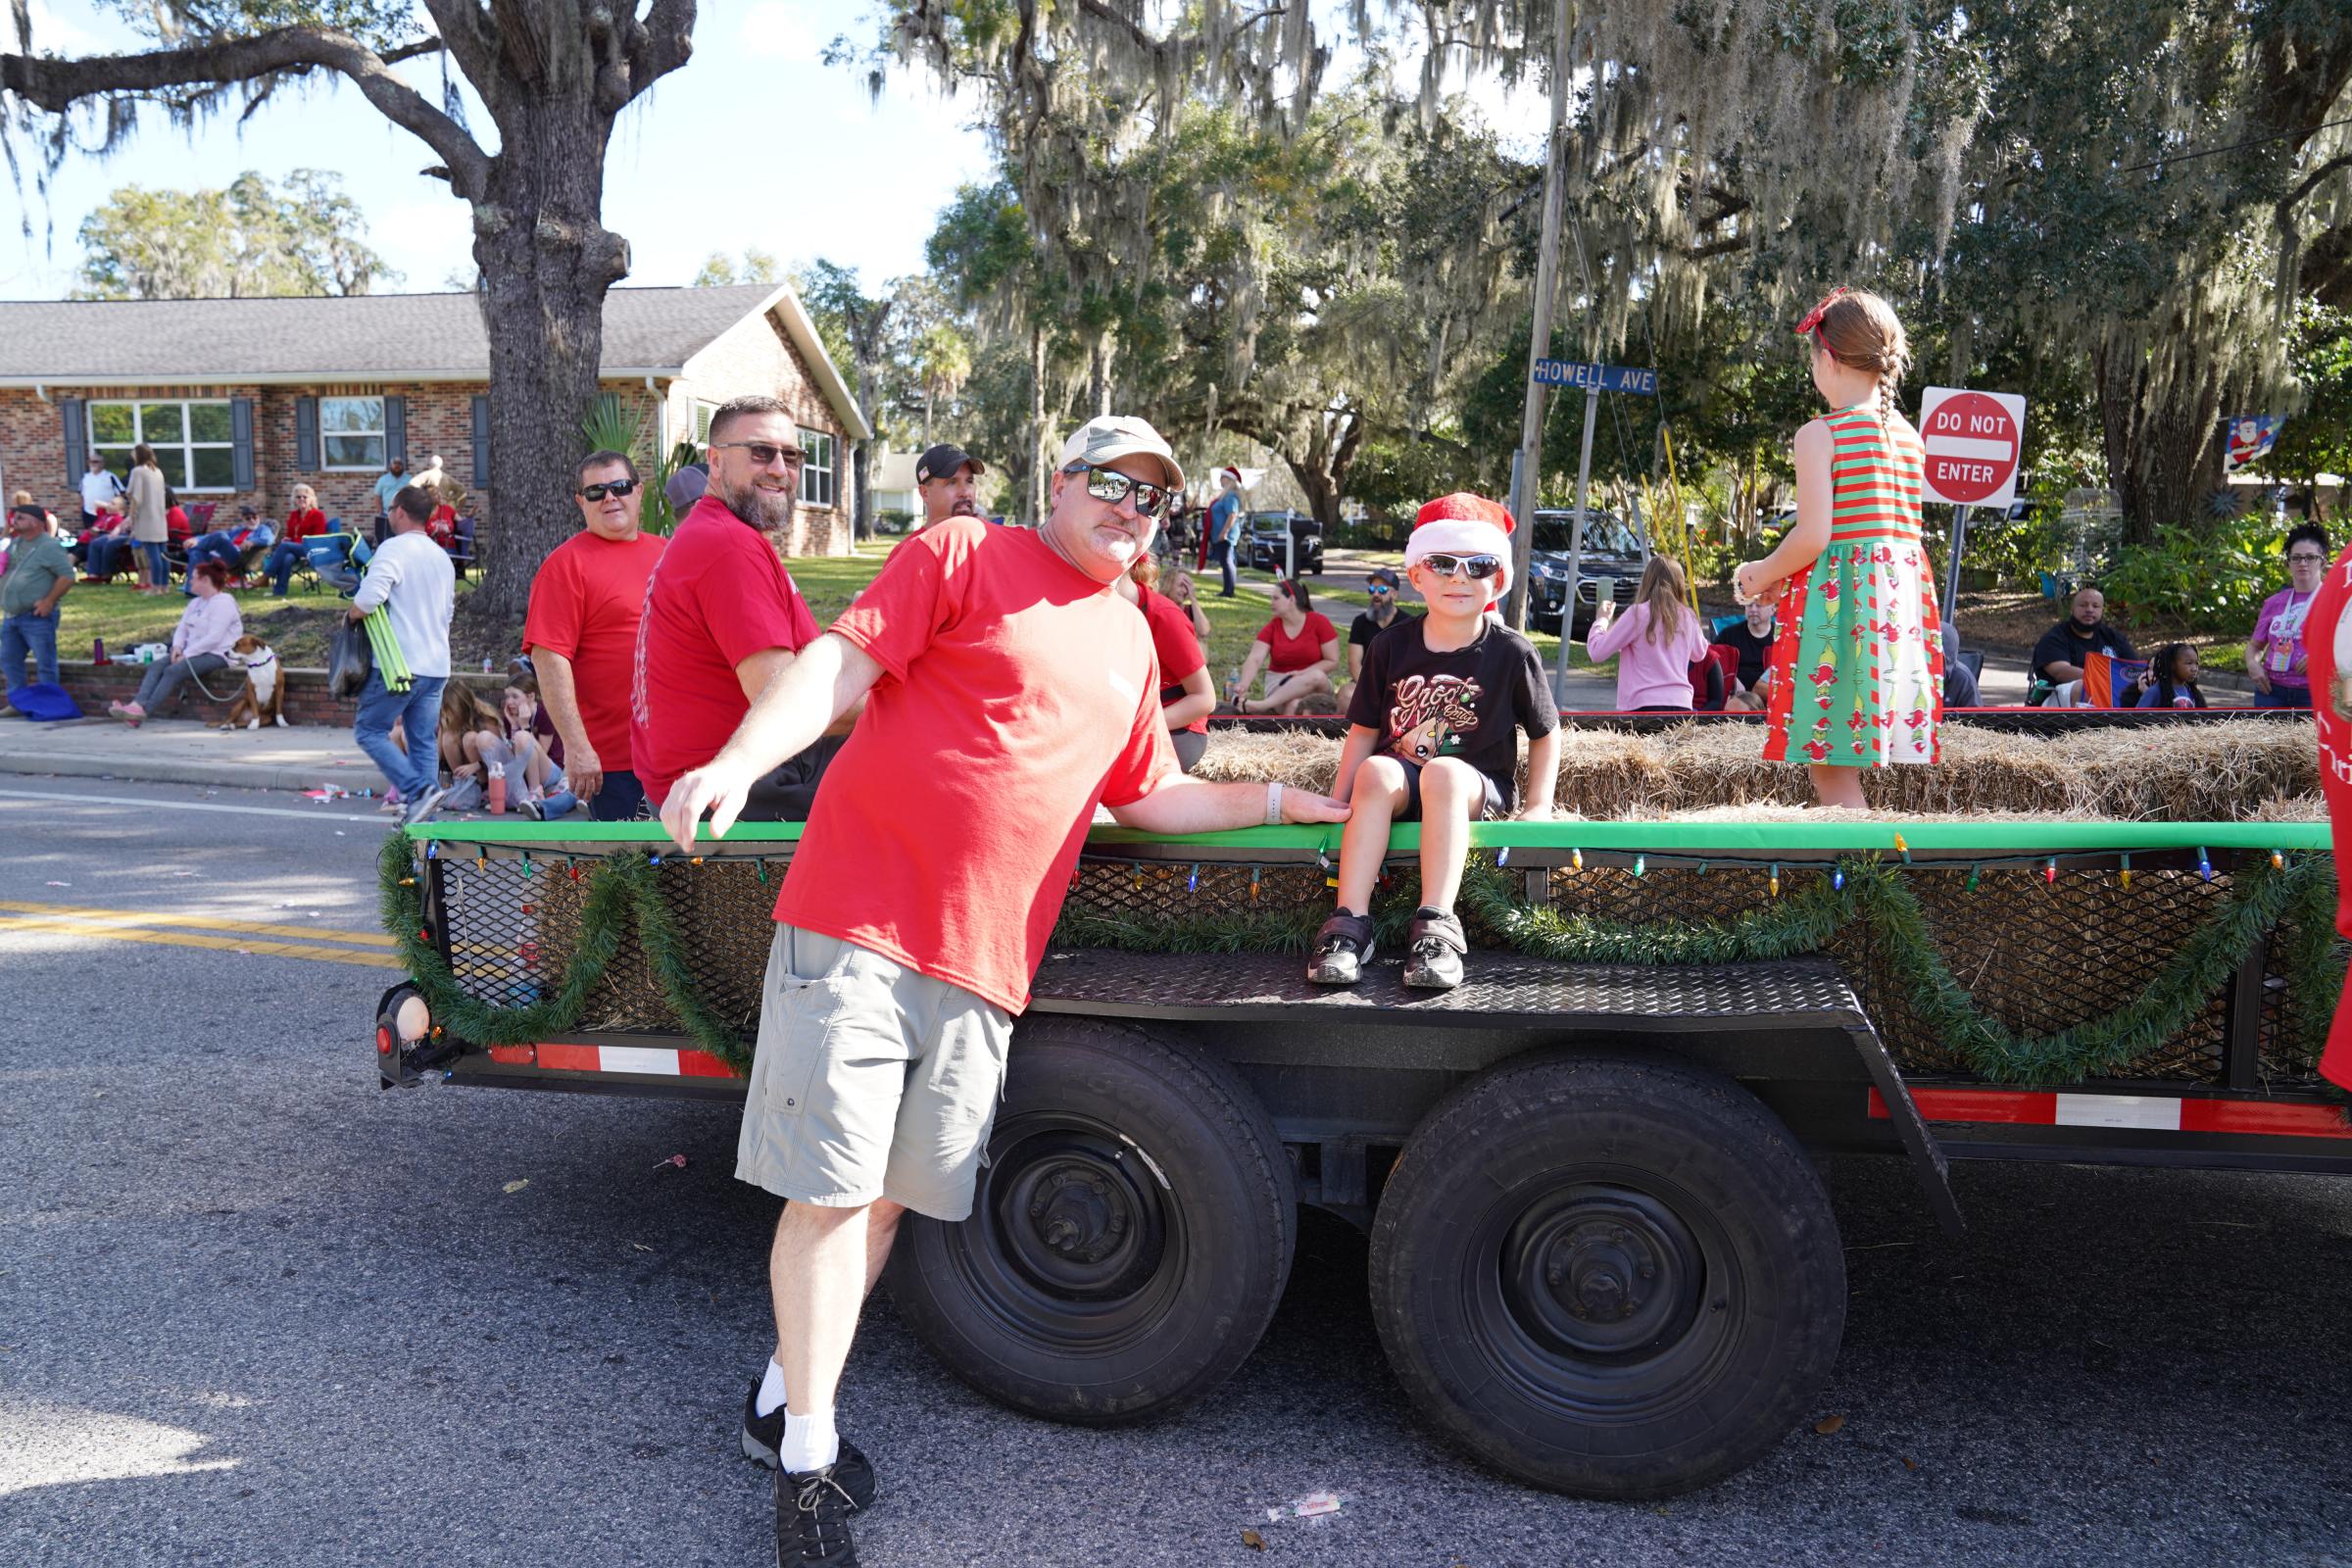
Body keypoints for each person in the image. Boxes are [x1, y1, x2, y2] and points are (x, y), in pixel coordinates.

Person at [657, 413, 1348, 1568]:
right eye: (1115, 484)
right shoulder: (963, 551)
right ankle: (808, 1465)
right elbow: (839, 663)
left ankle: (780, 1395)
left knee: (884, 1199)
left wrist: (1285, 804)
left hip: (986, 965)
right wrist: (736, 759)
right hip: (861, 925)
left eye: (1155, 500)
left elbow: (1149, 796)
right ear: (1062, 481)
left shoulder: (1132, 636)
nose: (1133, 511)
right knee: (829, 1195)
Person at [1310, 492, 1559, 991]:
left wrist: (1539, 805)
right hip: (1404, 778)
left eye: (1478, 564)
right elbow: (1363, 733)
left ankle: (1437, 927)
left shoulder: (1512, 652)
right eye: (1442, 563)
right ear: (1418, 575)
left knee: (1444, 772)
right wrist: (1340, 804)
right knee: (1376, 770)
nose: (1459, 577)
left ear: (1499, 579)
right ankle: (1350, 923)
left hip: (1475, 786)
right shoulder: (1389, 646)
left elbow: (1546, 733)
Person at [1735, 287, 1942, 806]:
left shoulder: (1820, 434)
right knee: (1846, 762)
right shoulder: (1908, 437)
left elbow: (1815, 536)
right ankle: (1867, 873)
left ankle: (1863, 879)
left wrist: (1759, 572)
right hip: (1896, 616)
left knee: (1829, 767)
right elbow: (1866, 534)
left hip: (1841, 614)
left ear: (1826, 359)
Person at [631, 396, 844, 818]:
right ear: (715, 460)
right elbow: (783, 700)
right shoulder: (728, 546)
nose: (780, 469)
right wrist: (891, 701)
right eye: (761, 452)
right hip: (731, 788)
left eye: (792, 455)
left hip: (702, 778)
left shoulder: (718, 533)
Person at [523, 449, 666, 819]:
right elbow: (549, 658)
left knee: (688, 871)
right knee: (634, 873)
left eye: (619, 486)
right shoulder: (565, 566)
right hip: (616, 762)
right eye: (596, 492)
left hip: (679, 753)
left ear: (639, 492)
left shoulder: (671, 554)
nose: (609, 497)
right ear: (580, 502)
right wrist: (577, 747)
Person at [348, 485, 457, 825]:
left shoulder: (393, 549)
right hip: (436, 663)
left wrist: (350, 615)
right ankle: (424, 819)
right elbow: (448, 612)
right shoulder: (442, 557)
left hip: (397, 664)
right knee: (422, 739)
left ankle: (417, 790)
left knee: (368, 731)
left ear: (399, 511)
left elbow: (369, 599)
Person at [108, 561, 241, 724]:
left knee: (173, 671)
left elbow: (214, 638)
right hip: (189, 652)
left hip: (218, 654)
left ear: (205, 580)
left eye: (193, 578)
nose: (190, 581)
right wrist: (177, 647)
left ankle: (142, 712)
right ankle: (137, 704)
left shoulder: (224, 603)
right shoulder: (195, 603)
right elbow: (182, 629)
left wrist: (186, 655)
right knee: (156, 666)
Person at [1121, 553, 1215, 771]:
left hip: (1176, 728)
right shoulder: (1095, 612)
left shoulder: (1165, 615)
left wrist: (1138, 726)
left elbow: (1204, 699)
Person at [1586, 556, 1710, 711]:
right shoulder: (1688, 616)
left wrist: (1602, 620)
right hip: (1681, 703)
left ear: (1647, 581)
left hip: (1643, 703)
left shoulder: (1637, 614)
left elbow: (1597, 652)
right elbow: (1700, 653)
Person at [2244, 523, 2328, 710]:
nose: (2303, 563)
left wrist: (2324, 655)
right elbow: (2255, 646)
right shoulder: (2274, 603)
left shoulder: (2336, 601)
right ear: (2288, 562)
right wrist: (2252, 664)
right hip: (2271, 692)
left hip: (2315, 693)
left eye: (2310, 557)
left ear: (2323, 561)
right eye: (2296, 558)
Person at [1230, 578, 1338, 713]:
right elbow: (1255, 658)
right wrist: (1243, 684)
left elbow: (1332, 661)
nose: (1271, 603)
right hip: (1280, 681)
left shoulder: (1319, 622)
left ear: (1291, 600)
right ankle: (1287, 734)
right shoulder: (1273, 627)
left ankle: (1263, 705)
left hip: (1315, 685)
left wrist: (1301, 673)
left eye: (1276, 598)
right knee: (1294, 705)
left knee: (1317, 675)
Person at [1, 503, 74, 691]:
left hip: (36, 615)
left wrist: (48, 601)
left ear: (36, 522)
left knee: (45, 663)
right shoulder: (16, 543)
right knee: (9, 661)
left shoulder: (49, 546)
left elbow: (67, 576)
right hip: (12, 615)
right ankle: (18, 702)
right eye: (14, 517)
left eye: (20, 518)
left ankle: (50, 703)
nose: (13, 521)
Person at [2030, 586, 2134, 707]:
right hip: (2055, 702)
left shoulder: (2113, 637)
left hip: (2109, 696)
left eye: (2095, 606)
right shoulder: (2055, 638)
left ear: (2102, 610)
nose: (2089, 610)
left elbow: (2134, 669)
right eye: (2083, 605)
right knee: (2084, 686)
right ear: (2072, 609)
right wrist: (2104, 679)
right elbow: (2061, 672)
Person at [496, 673, 579, 819]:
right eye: (507, 696)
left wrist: (524, 727)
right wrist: (514, 725)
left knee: (523, 737)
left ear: (531, 696)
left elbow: (541, 751)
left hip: (550, 770)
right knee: (518, 737)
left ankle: (535, 792)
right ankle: (511, 794)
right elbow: (516, 754)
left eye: (515, 696)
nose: (509, 702)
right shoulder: (510, 715)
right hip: (525, 768)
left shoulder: (544, 713)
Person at [1342, 566, 1417, 709]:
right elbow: (1354, 663)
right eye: (1372, 589)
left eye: (1382, 590)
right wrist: (1370, 690)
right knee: (1346, 693)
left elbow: (1412, 664)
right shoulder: (1360, 622)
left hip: (1399, 686)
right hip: (1365, 683)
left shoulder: (1408, 624)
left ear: (1394, 594)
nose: (1376, 594)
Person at [261, 484, 333, 596]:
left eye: (305, 496)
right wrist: (288, 538)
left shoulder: (318, 515)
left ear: (311, 499)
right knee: (287, 558)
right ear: (294, 500)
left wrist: (292, 543)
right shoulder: (294, 515)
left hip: (312, 549)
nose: (302, 499)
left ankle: (266, 576)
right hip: (296, 549)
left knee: (285, 546)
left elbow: (318, 538)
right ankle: (279, 592)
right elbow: (291, 535)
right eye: (298, 497)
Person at [906, 442, 985, 540]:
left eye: (969, 481)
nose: (965, 493)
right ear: (925, 493)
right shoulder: (911, 552)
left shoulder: (990, 539)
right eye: (952, 482)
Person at [1714, 599, 1777, 712]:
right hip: (1734, 698)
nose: (1753, 609)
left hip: (1767, 701)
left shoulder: (1780, 637)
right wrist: (1733, 680)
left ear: (1772, 609)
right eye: (1749, 605)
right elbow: (1714, 663)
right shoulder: (1728, 635)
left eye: (1759, 605)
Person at [186, 505, 274, 583]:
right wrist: (196, 539)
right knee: (196, 554)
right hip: (221, 557)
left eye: (255, 517)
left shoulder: (263, 529)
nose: (252, 520)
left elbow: (269, 540)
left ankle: (190, 549)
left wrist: (253, 541)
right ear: (243, 519)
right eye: (248, 518)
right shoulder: (238, 530)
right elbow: (214, 536)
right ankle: (192, 591)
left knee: (220, 535)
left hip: (238, 559)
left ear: (259, 518)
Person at [124, 443, 170, 595]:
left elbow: (136, 497)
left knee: (153, 555)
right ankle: (164, 586)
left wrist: (131, 517)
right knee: (163, 554)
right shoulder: (158, 471)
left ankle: (155, 587)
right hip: (159, 517)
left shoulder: (138, 471)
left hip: (146, 517)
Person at [2120, 642, 2208, 710]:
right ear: (2172, 665)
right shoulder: (2155, 691)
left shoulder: (2194, 693)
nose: (2194, 668)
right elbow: (2136, 720)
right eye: (2189, 663)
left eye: (2196, 663)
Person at [1204, 465, 1243, 596]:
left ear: (1228, 479)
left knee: (1227, 561)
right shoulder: (1225, 495)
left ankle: (1229, 591)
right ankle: (1227, 589)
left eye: (1222, 477)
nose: (1220, 480)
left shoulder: (1231, 495)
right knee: (1226, 561)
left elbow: (1232, 514)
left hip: (1226, 535)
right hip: (1221, 534)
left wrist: (1224, 532)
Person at [78, 451, 124, 528]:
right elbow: (81, 495)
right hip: (89, 513)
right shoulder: (85, 477)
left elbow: (121, 494)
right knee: (88, 536)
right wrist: (82, 509)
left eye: (95, 462)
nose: (92, 464)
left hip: (106, 513)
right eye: (90, 461)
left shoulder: (110, 476)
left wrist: (116, 509)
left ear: (102, 463)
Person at [372, 458, 408, 535]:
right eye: (395, 463)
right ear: (390, 466)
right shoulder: (383, 480)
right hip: (387, 514)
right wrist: (380, 511)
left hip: (404, 514)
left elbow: (413, 496)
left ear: (403, 466)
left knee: (402, 537)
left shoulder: (409, 479)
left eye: (399, 464)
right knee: (387, 536)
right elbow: (377, 496)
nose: (397, 466)